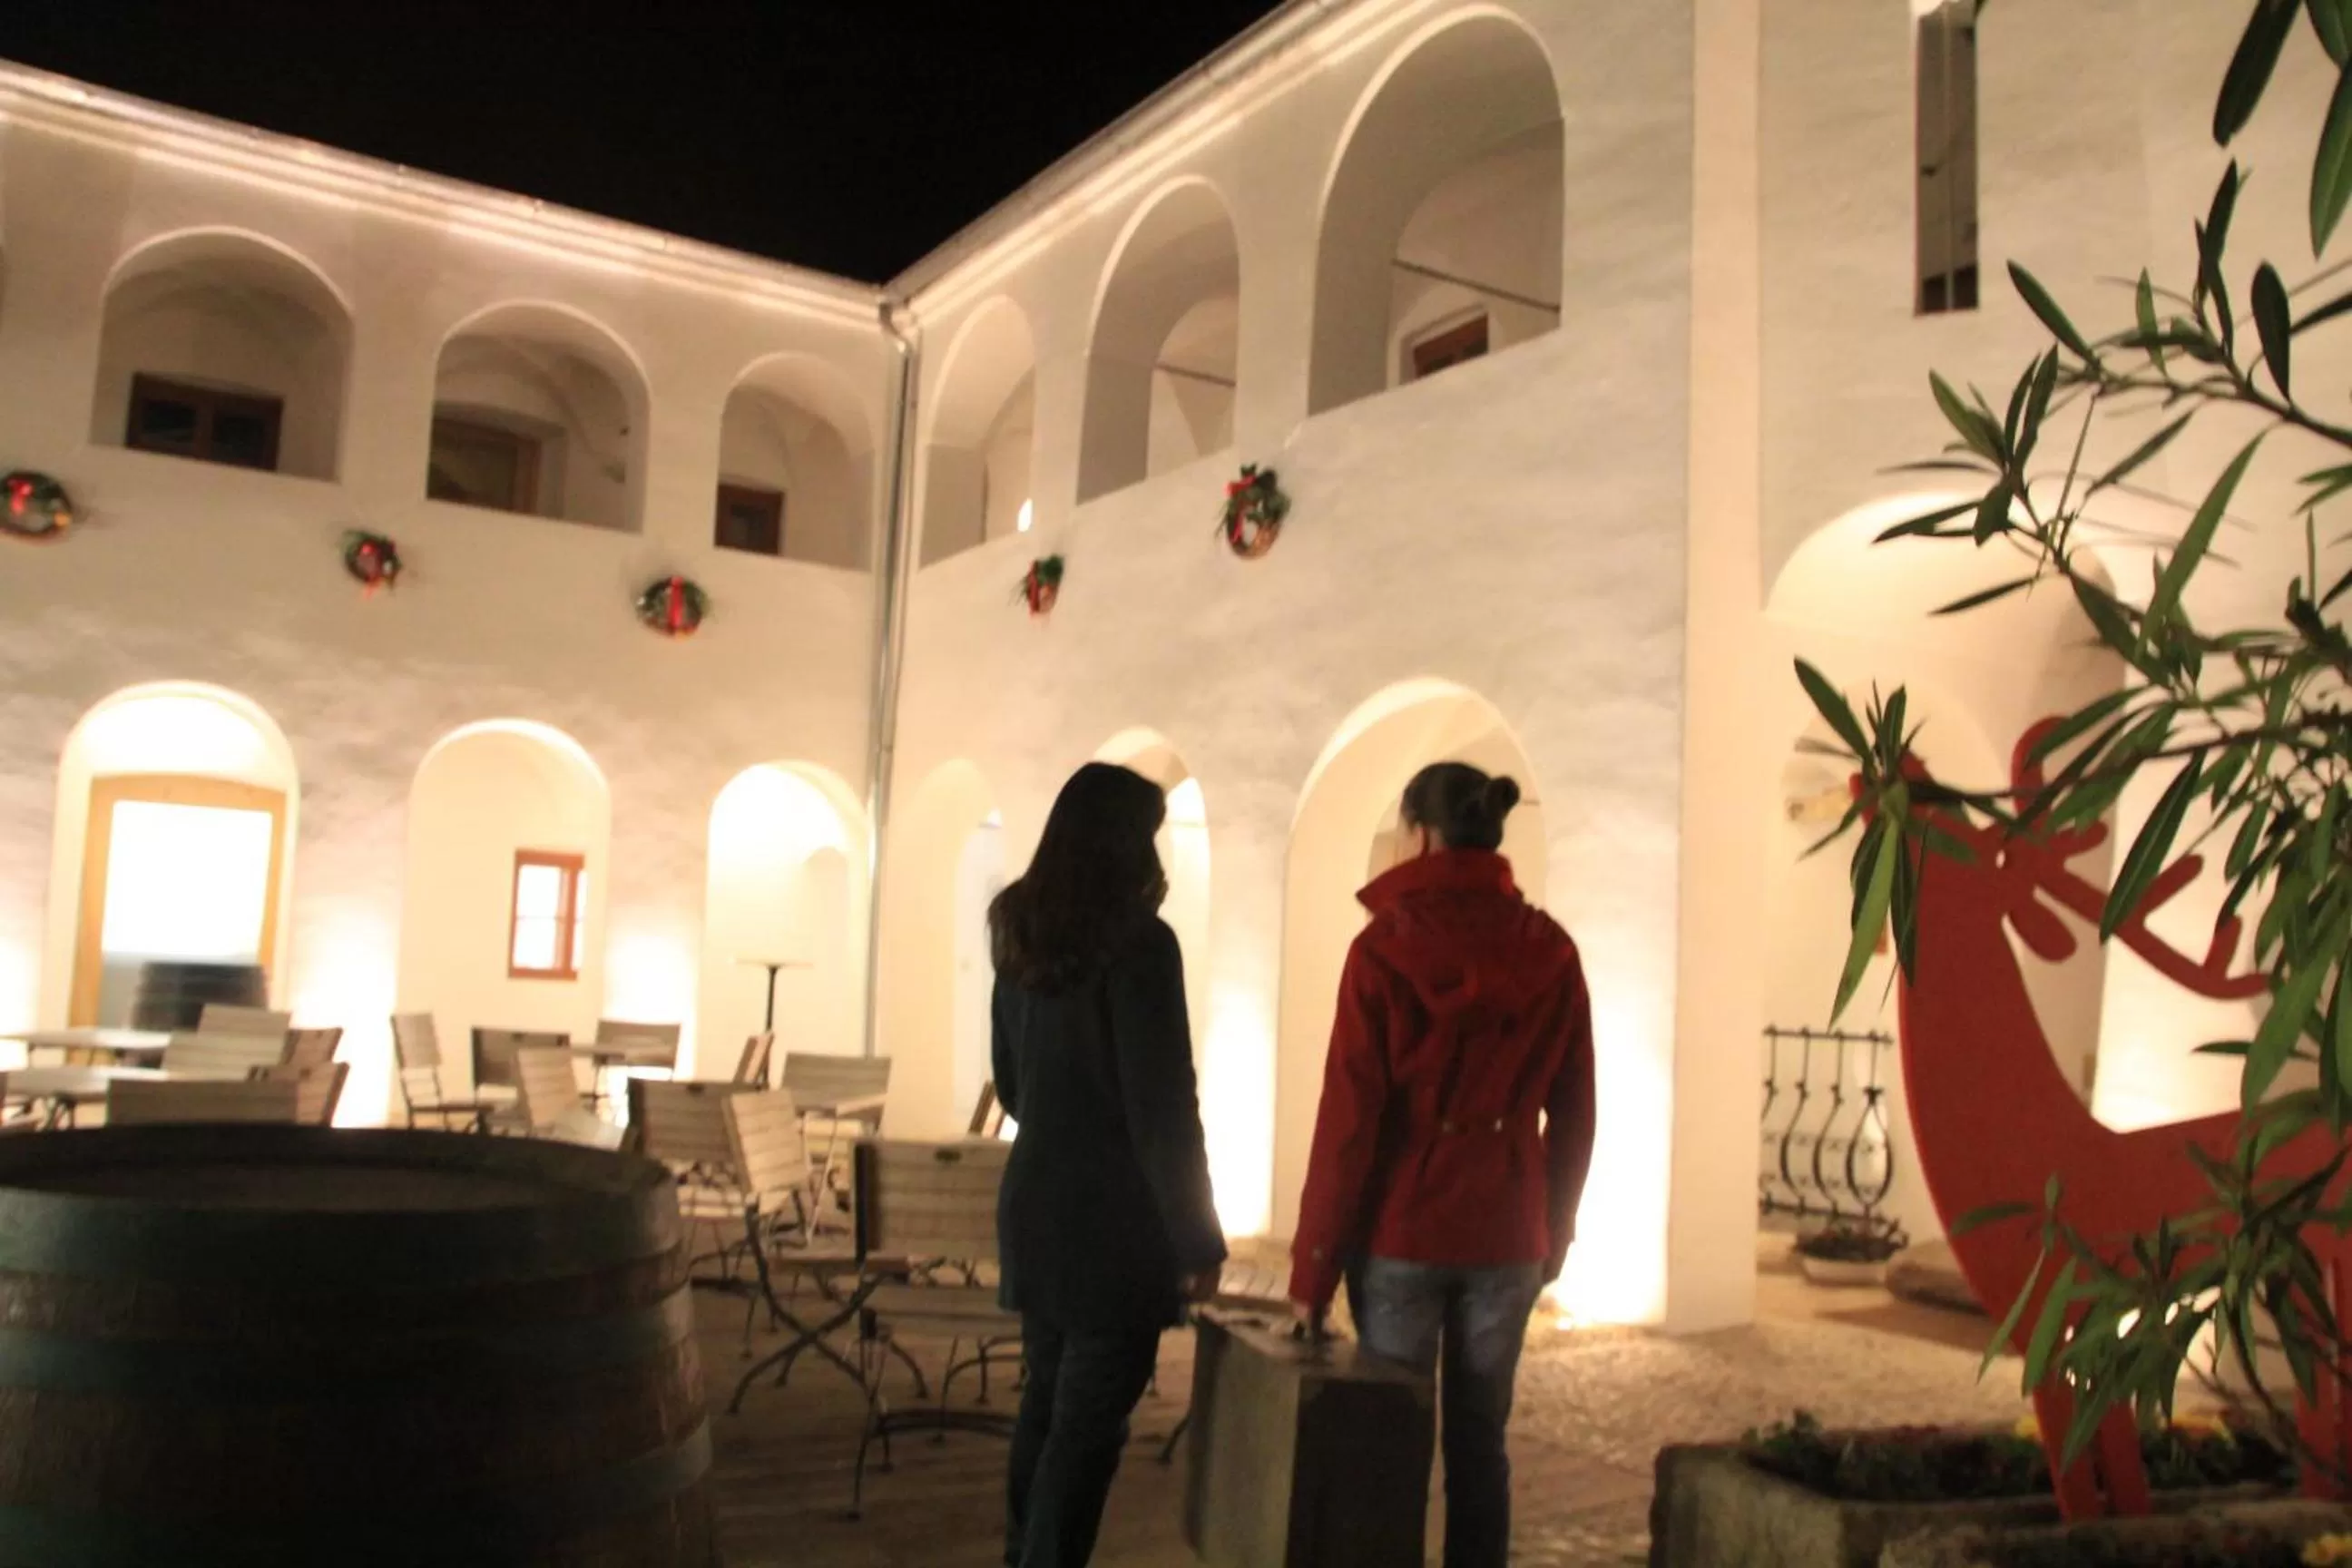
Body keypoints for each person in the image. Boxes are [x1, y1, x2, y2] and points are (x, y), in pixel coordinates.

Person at [1288, 761, 1596, 1568]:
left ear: (1420, 835)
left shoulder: (1383, 949)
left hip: (1402, 1226)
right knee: (1480, 1447)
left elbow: (1348, 1123)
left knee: (1390, 1446)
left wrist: (1313, 1269)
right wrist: (1553, 1230)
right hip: (1507, 1228)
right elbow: (1575, 1112)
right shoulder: (1553, 950)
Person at [991, 761, 1227, 1568]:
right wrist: (1199, 1240)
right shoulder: (1142, 945)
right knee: (1087, 1428)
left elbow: (1012, 1085)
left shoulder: (1017, 928)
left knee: (1047, 1407)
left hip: (1035, 1203)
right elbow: (1164, 1110)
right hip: (1114, 1227)